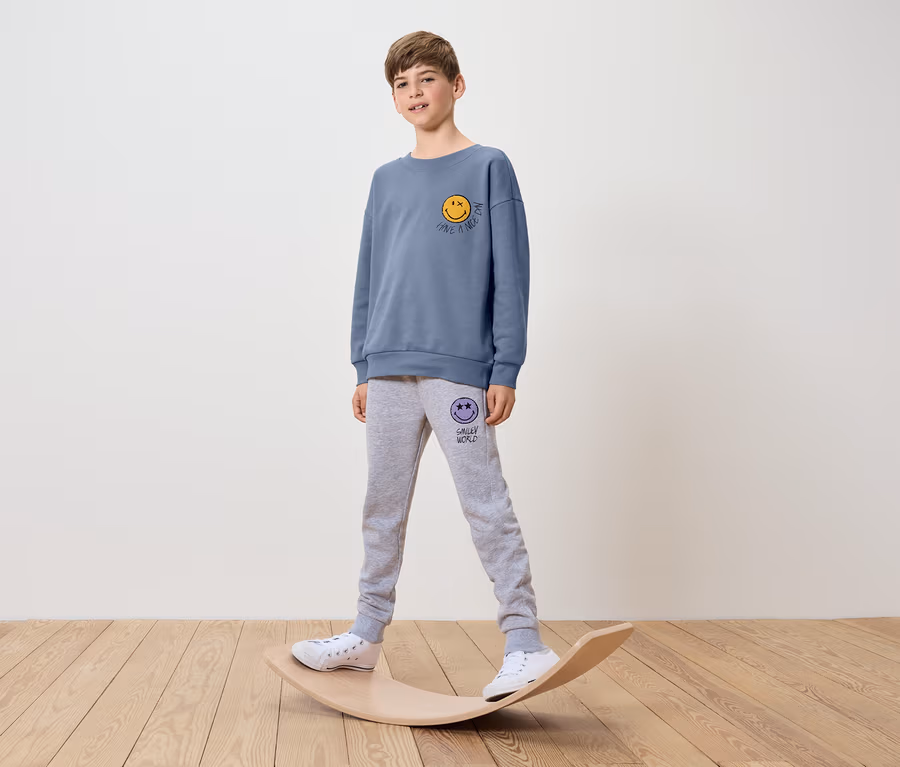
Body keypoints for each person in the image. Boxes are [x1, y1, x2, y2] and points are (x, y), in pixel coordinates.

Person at [292, 30, 559, 702]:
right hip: (388, 368)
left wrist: (506, 366)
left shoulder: (489, 167)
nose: (414, 93)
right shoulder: (386, 180)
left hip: (459, 370)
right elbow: (369, 274)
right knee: (381, 505)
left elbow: (512, 276)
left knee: (485, 504)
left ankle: (525, 642)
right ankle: (365, 634)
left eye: (426, 79)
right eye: (402, 84)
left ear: (456, 85)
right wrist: (363, 363)